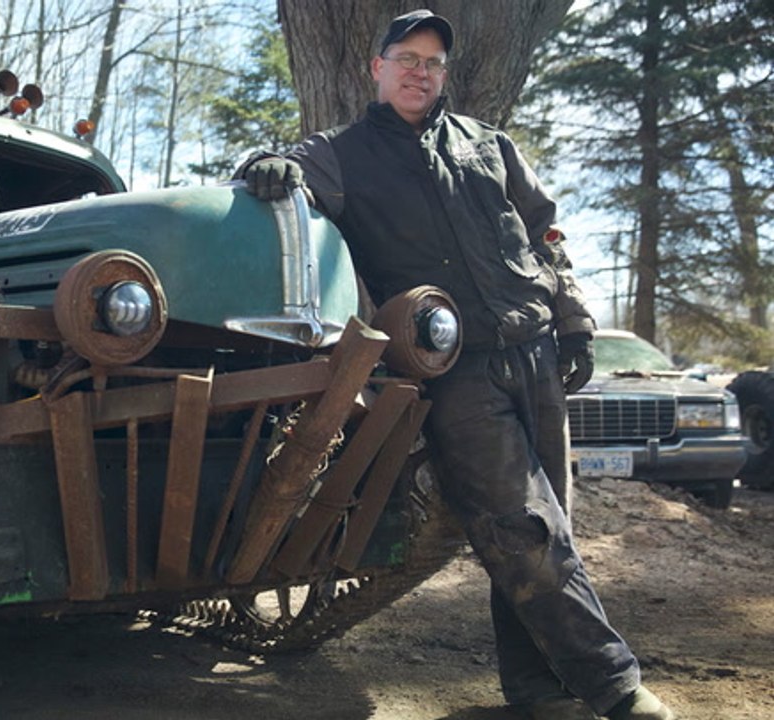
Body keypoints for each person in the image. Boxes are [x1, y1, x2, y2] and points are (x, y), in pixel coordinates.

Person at [241, 10, 674, 720]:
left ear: (445, 74)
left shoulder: (489, 144)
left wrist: (574, 321)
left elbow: (544, 240)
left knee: (546, 529)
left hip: (533, 349)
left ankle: (539, 690)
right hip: (455, 367)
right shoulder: (340, 153)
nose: (420, 72)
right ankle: (615, 687)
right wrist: (266, 164)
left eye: (433, 62)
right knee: (520, 527)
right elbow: (280, 179)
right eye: (406, 58)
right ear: (375, 69)